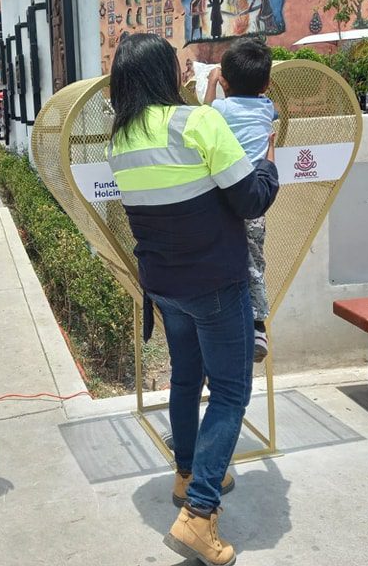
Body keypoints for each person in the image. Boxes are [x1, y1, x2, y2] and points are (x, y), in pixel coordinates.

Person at [106, 33, 277, 566]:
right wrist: (270, 161)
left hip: (163, 285)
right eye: (178, 66)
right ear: (163, 75)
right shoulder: (197, 123)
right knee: (230, 392)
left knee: (185, 378)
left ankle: (186, 474)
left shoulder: (119, 140)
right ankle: (200, 514)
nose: (187, 72)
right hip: (214, 283)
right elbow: (250, 198)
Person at [203, 37, 277, 363]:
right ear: (267, 83)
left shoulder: (220, 109)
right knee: (255, 261)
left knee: (223, 262)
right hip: (255, 198)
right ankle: (258, 325)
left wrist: (210, 83)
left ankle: (219, 331)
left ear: (224, 81)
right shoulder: (266, 108)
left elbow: (203, 115)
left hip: (222, 198)